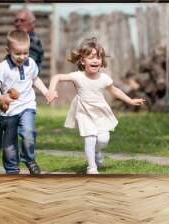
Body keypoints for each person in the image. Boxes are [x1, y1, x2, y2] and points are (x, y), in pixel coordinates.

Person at [47, 37, 145, 174]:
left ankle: (98, 151)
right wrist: (51, 90)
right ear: (82, 60)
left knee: (104, 139)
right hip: (84, 112)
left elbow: (115, 91)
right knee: (90, 139)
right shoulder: (78, 76)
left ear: (102, 61)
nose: (95, 60)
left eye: (98, 57)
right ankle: (91, 167)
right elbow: (57, 77)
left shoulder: (104, 78)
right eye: (91, 57)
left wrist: (130, 100)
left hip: (100, 113)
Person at [0, 30, 53, 175]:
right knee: (9, 145)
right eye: (17, 53)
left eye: (25, 53)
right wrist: (2, 98)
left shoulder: (31, 63)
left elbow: (35, 79)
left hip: (27, 106)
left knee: (28, 132)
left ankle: (29, 159)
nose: (22, 57)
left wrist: (46, 92)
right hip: (10, 110)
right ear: (8, 50)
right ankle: (12, 170)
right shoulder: (3, 67)